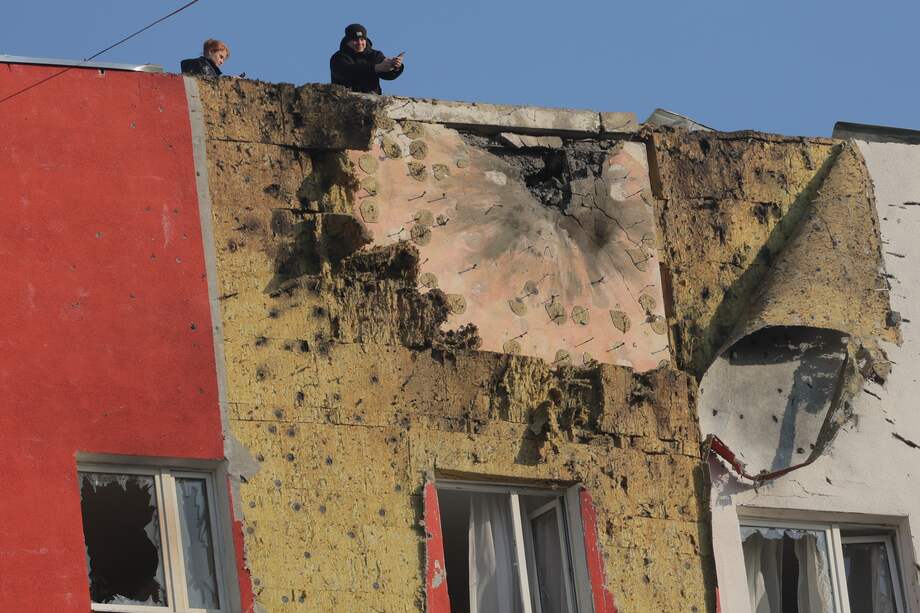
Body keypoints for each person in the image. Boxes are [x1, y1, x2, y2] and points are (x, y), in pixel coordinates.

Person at [330, 24, 403, 94]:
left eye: (362, 39)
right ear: (348, 41)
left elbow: (387, 75)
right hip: (346, 101)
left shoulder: (375, 55)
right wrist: (375, 68)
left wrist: (395, 66)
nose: (359, 43)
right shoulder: (338, 58)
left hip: (373, 100)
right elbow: (348, 72)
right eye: (355, 40)